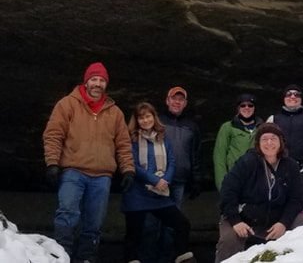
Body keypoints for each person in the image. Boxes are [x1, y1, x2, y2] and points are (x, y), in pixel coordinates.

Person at [43, 62, 134, 262]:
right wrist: (52, 163)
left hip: (102, 176)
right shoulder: (67, 104)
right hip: (73, 171)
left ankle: (86, 258)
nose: (97, 84)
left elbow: (123, 144)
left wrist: (128, 170)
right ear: (86, 82)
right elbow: (53, 135)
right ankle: (61, 256)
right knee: (67, 214)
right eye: (94, 79)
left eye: (102, 80)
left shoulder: (115, 112)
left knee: (93, 224)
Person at [215, 123, 303, 262]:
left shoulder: (291, 166)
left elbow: (297, 198)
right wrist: (236, 221)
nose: (269, 143)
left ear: (281, 142)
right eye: (264, 139)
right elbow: (228, 191)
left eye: (273, 138)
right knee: (229, 239)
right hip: (245, 218)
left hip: (278, 218)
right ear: (258, 143)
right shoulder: (246, 162)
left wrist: (284, 222)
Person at [121, 102, 194, 263]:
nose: (145, 120)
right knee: (135, 233)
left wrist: (165, 179)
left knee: (182, 224)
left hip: (159, 194)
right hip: (137, 194)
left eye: (148, 116)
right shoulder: (131, 138)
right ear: (136, 120)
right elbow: (132, 163)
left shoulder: (163, 136)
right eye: (141, 118)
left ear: (154, 117)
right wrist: (154, 180)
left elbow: (172, 160)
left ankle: (181, 257)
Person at [142, 86, 202, 263]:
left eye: (181, 99)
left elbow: (196, 154)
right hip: (156, 181)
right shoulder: (156, 121)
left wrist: (197, 179)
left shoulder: (192, 126)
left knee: (172, 226)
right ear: (167, 101)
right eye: (173, 98)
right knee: (151, 224)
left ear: (185, 103)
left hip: (179, 182)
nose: (177, 102)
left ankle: (166, 259)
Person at [266, 85, 303, 221]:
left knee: (301, 202)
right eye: (288, 94)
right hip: (279, 169)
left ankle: (301, 233)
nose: (292, 97)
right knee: (279, 202)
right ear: (283, 99)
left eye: (296, 94)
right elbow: (265, 143)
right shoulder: (273, 119)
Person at [213, 94, 261, 190]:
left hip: (257, 181)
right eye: (243, 105)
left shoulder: (262, 128)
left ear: (255, 108)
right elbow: (219, 157)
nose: (246, 108)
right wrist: (222, 184)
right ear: (238, 108)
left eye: (250, 105)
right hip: (235, 179)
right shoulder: (227, 127)